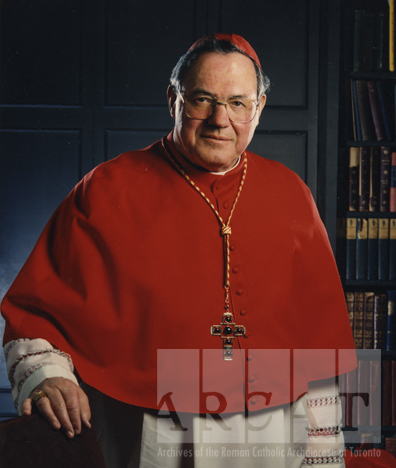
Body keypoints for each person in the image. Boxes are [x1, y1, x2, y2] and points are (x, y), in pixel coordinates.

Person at [1, 33, 356, 467]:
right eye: (202, 99)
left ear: (259, 108)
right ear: (174, 99)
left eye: (238, 103)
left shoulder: (291, 194)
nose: (219, 119)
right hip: (152, 428)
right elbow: (36, 312)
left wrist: (323, 449)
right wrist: (48, 377)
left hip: (271, 431)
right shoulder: (108, 190)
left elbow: (319, 342)